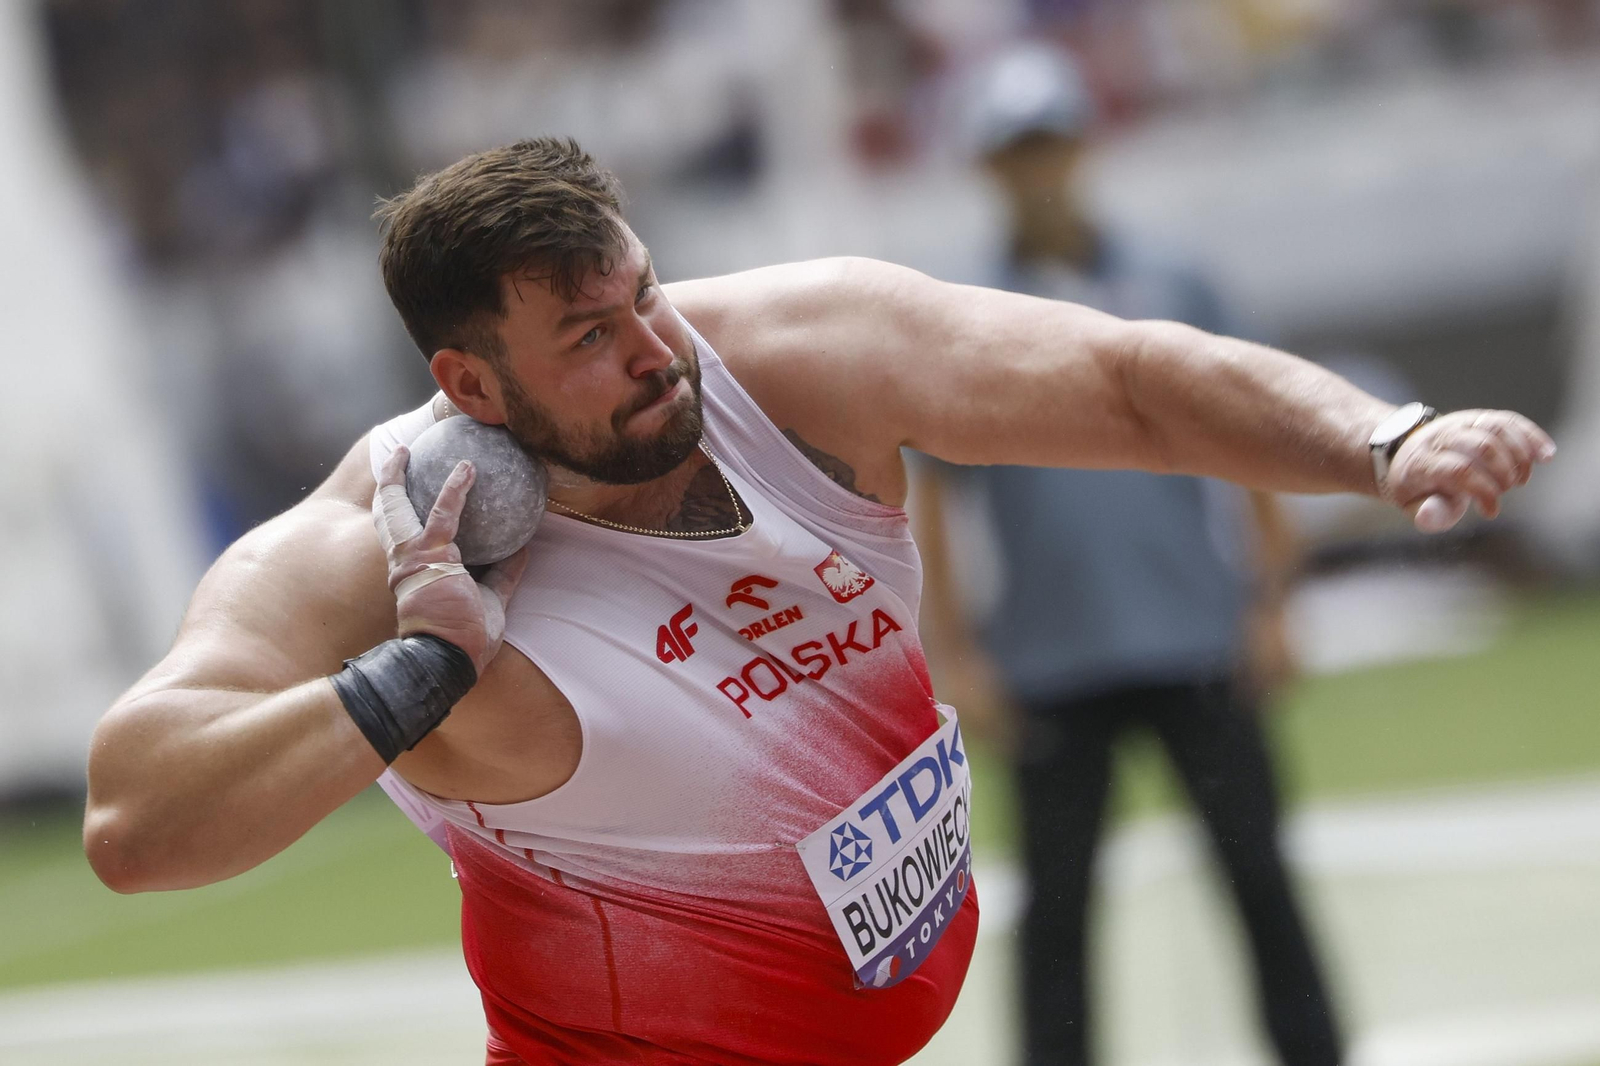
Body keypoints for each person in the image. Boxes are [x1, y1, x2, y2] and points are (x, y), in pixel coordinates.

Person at [82, 136, 1555, 1066]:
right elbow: (135, 823)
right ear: (469, 383)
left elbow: (1124, 381)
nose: (657, 349)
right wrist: (419, 668)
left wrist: (1382, 438)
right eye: (589, 337)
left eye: (645, 292)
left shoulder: (794, 355)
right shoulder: (381, 543)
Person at [918, 44, 1340, 1066]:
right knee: (1056, 905)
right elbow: (931, 488)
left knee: (1260, 881)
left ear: (1081, 148)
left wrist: (1272, 599)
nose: (1039, 168)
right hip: (1053, 654)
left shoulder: (1169, 276)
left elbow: (1257, 434)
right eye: (1019, 150)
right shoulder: (970, 312)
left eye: (1052, 143)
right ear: (989, 165)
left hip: (1196, 631)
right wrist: (957, 650)